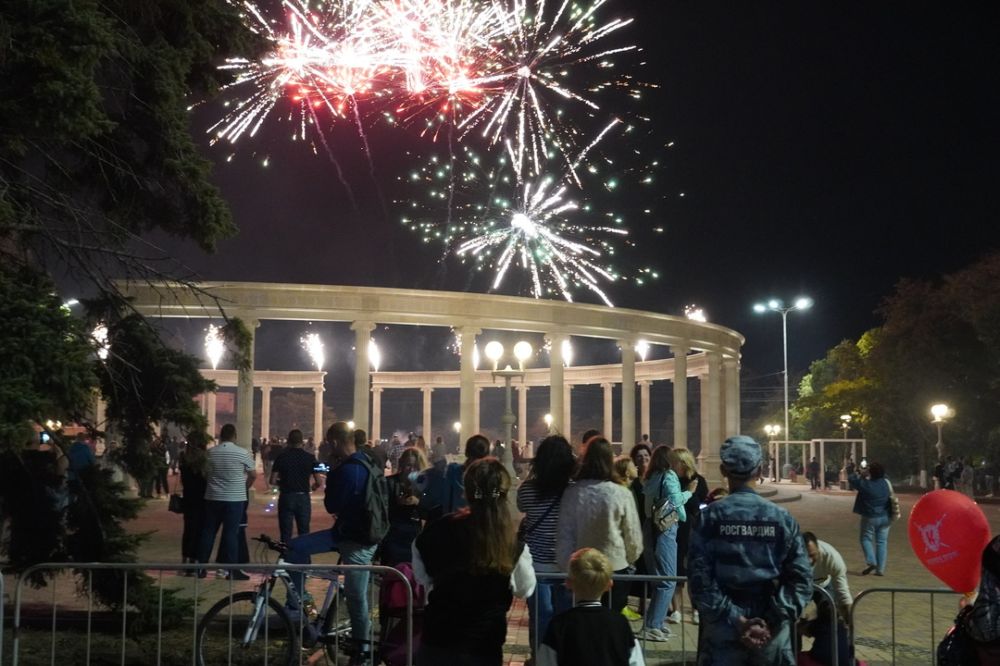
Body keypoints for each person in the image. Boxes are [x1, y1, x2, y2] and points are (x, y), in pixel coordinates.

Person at [688, 435, 812, 665]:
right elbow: (802, 580)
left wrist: (737, 620)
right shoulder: (782, 518)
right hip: (771, 635)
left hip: (722, 633)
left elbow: (699, 580)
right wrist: (771, 619)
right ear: (760, 470)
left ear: (724, 470)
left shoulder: (710, 517)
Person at [413, 458, 536, 665]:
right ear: (504, 494)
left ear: (466, 490)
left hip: (437, 642)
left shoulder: (436, 531)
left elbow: (421, 575)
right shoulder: (509, 544)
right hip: (483, 646)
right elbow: (525, 588)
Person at [284, 421, 386, 666]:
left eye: (331, 443)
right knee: (298, 548)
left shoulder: (347, 469)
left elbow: (332, 505)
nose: (329, 448)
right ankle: (308, 610)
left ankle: (362, 653)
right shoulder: (367, 461)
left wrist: (330, 475)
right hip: (360, 534)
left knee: (356, 598)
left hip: (355, 540)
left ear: (337, 442)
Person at [556, 436, 643, 615]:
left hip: (582, 569)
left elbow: (564, 536)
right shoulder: (621, 493)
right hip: (616, 567)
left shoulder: (573, 493)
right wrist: (630, 559)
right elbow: (633, 536)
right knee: (612, 621)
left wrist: (568, 567)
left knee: (583, 621)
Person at [516, 435, 576, 660]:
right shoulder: (573, 491)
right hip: (566, 565)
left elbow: (521, 505)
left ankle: (540, 658)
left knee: (540, 620)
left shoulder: (529, 490)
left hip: (537, 566)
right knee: (564, 621)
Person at [537, 547, 645, 666]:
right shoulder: (620, 623)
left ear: (568, 583)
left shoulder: (559, 625)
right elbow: (636, 662)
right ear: (609, 585)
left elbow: (545, 661)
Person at [640, 445, 694, 642]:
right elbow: (675, 499)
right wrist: (689, 492)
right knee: (668, 579)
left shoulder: (650, 477)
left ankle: (656, 622)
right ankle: (653, 624)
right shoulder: (668, 475)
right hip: (665, 528)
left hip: (650, 527)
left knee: (660, 579)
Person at [196, 423, 256, 579]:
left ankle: (200, 567)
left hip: (213, 497)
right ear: (234, 436)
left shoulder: (210, 453)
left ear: (221, 436)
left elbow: (204, 473)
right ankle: (231, 569)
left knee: (208, 532)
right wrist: (244, 488)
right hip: (235, 498)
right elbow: (253, 474)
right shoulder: (242, 453)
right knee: (231, 534)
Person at [671, 447, 709, 626]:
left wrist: (690, 495)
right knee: (676, 571)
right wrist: (689, 493)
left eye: (674, 462)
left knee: (694, 572)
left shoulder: (699, 481)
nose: (671, 465)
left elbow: (697, 507)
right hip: (675, 530)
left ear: (683, 462)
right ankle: (676, 609)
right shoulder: (671, 480)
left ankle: (695, 609)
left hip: (693, 531)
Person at [421, 434, 491, 521]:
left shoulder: (453, 471)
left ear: (466, 453)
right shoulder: (488, 476)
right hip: (473, 525)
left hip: (455, 524)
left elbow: (446, 502)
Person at [269, 429, 322, 544]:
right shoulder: (310, 457)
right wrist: (313, 487)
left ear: (288, 441)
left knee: (285, 533)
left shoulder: (281, 457)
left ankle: (285, 558)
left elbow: (272, 480)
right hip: (303, 497)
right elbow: (319, 481)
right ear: (302, 442)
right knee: (304, 533)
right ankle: (303, 559)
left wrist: (282, 483)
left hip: (286, 496)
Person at [381, 446, 429, 565]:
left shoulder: (423, 484)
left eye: (415, 466)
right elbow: (382, 510)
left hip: (414, 537)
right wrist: (396, 503)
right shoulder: (390, 483)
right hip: (393, 537)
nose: (411, 469)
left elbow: (429, 511)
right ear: (402, 464)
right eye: (408, 465)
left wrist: (418, 502)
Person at [848, 461, 892, 576]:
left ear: (870, 472)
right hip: (886, 516)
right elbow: (882, 474)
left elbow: (851, 479)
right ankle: (880, 569)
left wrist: (860, 473)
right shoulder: (885, 483)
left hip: (870, 516)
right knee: (882, 542)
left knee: (865, 539)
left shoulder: (865, 484)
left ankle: (871, 561)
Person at [802, 532, 852, 622]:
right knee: (791, 616)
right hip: (800, 587)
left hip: (823, 585)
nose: (809, 561)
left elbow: (843, 592)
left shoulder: (832, 557)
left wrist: (849, 621)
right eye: (805, 556)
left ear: (818, 549)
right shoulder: (790, 555)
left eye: (812, 555)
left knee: (830, 613)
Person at [178, 431, 209, 571]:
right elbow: (206, 478)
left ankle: (185, 558)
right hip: (202, 497)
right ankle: (195, 558)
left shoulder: (183, 457)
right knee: (200, 529)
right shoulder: (205, 459)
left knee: (188, 529)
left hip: (188, 496)